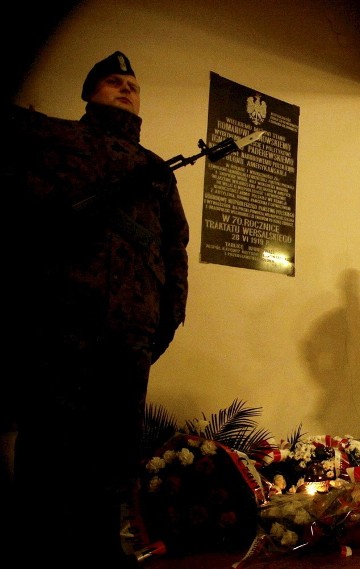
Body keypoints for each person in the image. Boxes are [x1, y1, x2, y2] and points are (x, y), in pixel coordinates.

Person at [2, 51, 189, 565]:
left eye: (132, 83)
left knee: (113, 452)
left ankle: (102, 549)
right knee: (49, 446)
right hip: (62, 319)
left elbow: (175, 249)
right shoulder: (53, 139)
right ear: (89, 93)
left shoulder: (156, 169)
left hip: (131, 330)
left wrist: (167, 317)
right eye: (113, 81)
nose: (126, 88)